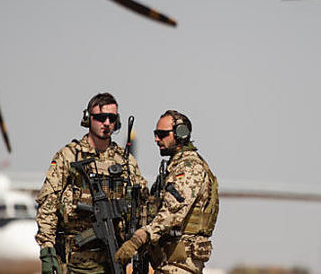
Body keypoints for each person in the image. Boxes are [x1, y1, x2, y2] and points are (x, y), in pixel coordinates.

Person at [36, 93, 147, 274]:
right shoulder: (70, 156)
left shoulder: (125, 161)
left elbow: (141, 204)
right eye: (101, 118)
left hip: (113, 258)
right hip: (75, 258)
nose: (106, 123)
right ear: (89, 119)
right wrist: (46, 249)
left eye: (112, 118)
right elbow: (48, 202)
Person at [114, 110, 218, 274]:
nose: (157, 139)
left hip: (181, 263)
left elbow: (172, 212)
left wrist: (141, 237)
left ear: (180, 134)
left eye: (162, 134)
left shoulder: (189, 168)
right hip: (168, 262)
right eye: (156, 134)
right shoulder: (173, 168)